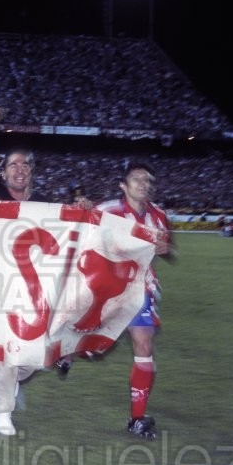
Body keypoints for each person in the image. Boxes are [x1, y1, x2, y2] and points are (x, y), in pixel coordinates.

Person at [0, 106, 88, 435]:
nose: (20, 169)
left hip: (35, 288)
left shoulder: (44, 203)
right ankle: (0, 412)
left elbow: (67, 233)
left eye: (25, 164)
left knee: (36, 356)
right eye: (13, 164)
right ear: (4, 173)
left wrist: (83, 212)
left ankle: (8, 383)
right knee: (9, 348)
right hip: (1, 283)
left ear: (32, 172)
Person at [98, 161, 173, 440]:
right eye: (136, 178)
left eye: (147, 179)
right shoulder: (107, 211)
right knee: (87, 338)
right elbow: (78, 232)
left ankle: (137, 419)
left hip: (139, 287)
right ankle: (72, 351)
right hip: (105, 286)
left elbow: (165, 248)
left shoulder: (158, 215)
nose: (143, 183)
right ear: (123, 185)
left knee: (144, 345)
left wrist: (165, 248)